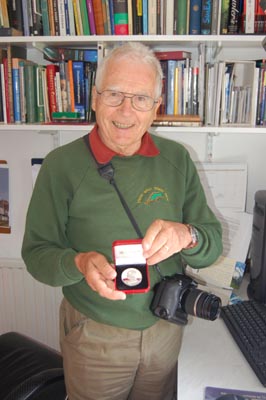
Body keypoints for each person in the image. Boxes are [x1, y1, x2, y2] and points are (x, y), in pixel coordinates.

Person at [21, 42, 223, 400]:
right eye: (114, 94)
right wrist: (78, 262)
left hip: (164, 329)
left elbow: (211, 244)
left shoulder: (178, 159)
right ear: (95, 98)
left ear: (156, 108)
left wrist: (188, 235)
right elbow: (37, 255)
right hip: (94, 334)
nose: (126, 110)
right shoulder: (61, 166)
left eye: (141, 98)